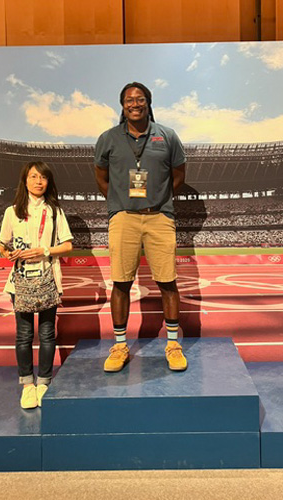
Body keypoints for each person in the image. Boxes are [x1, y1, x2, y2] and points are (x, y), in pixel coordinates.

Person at [94, 82, 187, 372]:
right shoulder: (108, 138)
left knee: (167, 281)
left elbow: (179, 175)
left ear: (148, 102)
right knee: (121, 282)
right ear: (122, 105)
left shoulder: (167, 136)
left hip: (160, 216)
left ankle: (173, 344)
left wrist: (158, 199)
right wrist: (119, 204)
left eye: (140, 99)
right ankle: (120, 345)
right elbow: (101, 177)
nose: (134, 104)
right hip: (124, 217)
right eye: (128, 100)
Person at [0, 161, 73, 409]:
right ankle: (27, 385)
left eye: (42, 177)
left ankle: (44, 382)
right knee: (24, 335)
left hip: (48, 276)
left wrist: (44, 250)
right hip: (19, 281)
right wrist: (7, 252)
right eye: (33, 176)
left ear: (48, 182)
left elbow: (68, 246)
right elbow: (2, 244)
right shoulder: (12, 212)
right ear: (25, 181)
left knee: (47, 333)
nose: (38, 181)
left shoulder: (55, 211)